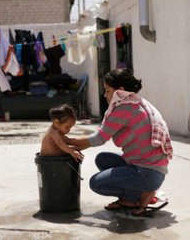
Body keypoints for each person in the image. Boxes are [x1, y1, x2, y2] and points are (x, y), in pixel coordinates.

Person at [72, 69, 173, 216]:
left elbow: (99, 138)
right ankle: (129, 199)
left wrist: (66, 143)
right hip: (152, 169)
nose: (105, 95)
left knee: (96, 183)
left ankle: (145, 192)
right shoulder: (137, 102)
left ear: (120, 90)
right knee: (103, 159)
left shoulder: (125, 107)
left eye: (107, 90)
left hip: (147, 172)